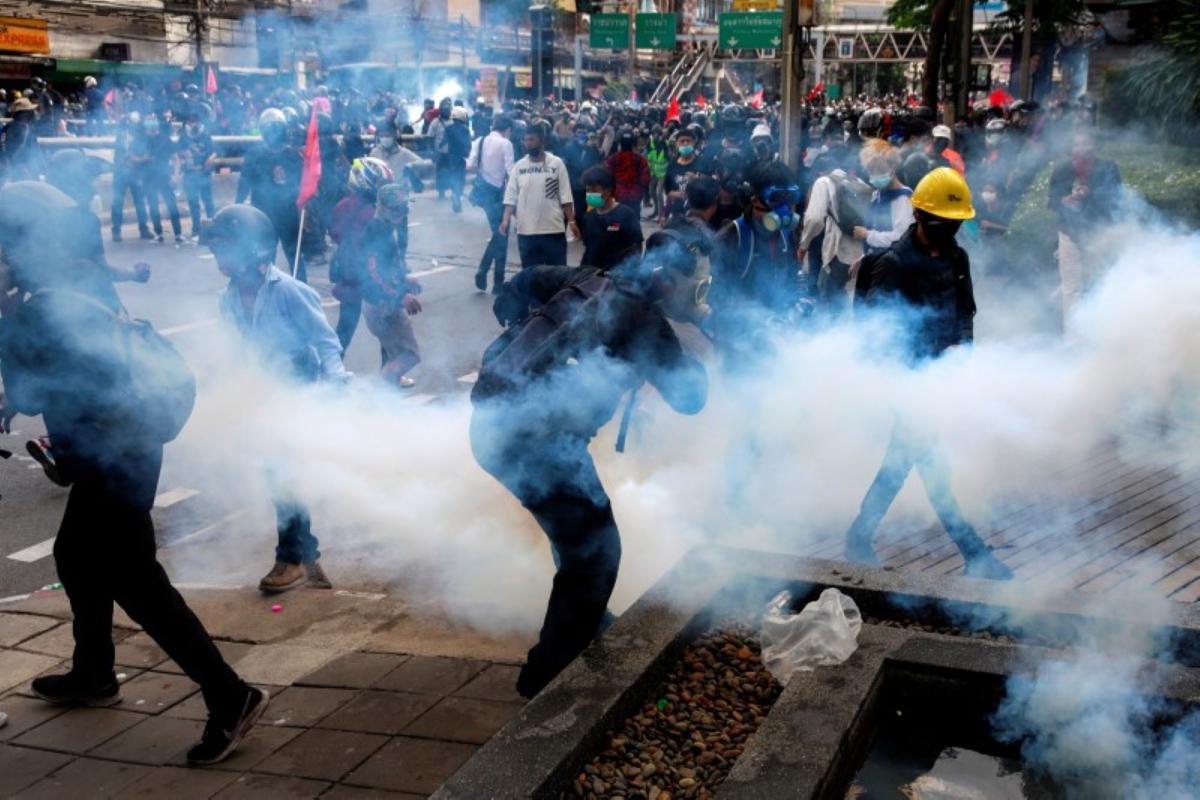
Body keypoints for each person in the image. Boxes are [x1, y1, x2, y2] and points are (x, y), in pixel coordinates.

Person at [0, 182, 267, 765]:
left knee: (137, 582)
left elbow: (23, 387)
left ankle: (231, 696)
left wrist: (5, 316)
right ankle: (93, 672)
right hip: (125, 445)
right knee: (75, 555)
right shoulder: (76, 279)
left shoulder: (38, 306)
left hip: (115, 455)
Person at [470, 230, 710, 698]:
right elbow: (691, 398)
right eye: (691, 284)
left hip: (493, 430)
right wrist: (702, 322)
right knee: (599, 551)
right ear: (664, 279)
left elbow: (522, 286)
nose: (696, 293)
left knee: (578, 536)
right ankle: (547, 678)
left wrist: (525, 342)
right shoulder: (644, 319)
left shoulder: (587, 279)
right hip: (537, 449)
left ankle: (590, 620)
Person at [847, 168, 1012, 580]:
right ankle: (973, 552)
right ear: (919, 216)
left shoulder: (957, 255)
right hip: (904, 376)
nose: (948, 233)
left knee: (902, 459)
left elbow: (965, 312)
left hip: (939, 373)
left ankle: (859, 535)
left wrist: (963, 347)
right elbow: (877, 331)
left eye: (955, 225)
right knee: (929, 460)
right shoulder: (893, 264)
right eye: (941, 225)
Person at [203, 204, 347, 593]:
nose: (219, 257)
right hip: (262, 389)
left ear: (252, 250)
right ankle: (308, 554)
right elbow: (232, 347)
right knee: (280, 475)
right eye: (216, 249)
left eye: (225, 248)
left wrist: (338, 381)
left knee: (283, 473)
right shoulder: (229, 298)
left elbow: (325, 342)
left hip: (295, 388)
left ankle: (290, 560)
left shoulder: (290, 292)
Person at [710, 161, 806, 365]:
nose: (785, 209)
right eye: (776, 200)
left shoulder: (787, 233)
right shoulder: (730, 237)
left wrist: (799, 302)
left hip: (779, 336)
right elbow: (718, 295)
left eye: (789, 199)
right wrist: (756, 320)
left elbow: (793, 275)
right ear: (753, 200)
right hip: (739, 342)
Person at [1047, 130, 1121, 328]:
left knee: (1099, 283)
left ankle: (1100, 332)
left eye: (1085, 145)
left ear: (1095, 147)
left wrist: (1090, 194)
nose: (1081, 150)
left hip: (1098, 233)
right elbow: (1051, 201)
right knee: (1072, 288)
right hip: (1069, 233)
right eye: (1076, 145)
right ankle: (1073, 342)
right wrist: (1064, 200)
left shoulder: (1107, 168)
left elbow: (1114, 198)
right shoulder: (1062, 170)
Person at [330, 157, 395, 353]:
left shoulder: (342, 205)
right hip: (369, 276)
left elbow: (335, 234)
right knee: (386, 328)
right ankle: (390, 375)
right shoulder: (373, 212)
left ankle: (333, 370)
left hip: (348, 273)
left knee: (344, 329)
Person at [361, 183, 423, 388]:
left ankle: (387, 394)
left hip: (384, 303)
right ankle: (378, 393)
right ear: (385, 208)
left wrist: (405, 280)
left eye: (404, 207)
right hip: (381, 305)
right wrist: (400, 296)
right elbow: (372, 274)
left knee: (393, 353)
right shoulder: (375, 230)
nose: (403, 212)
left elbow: (386, 267)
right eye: (398, 208)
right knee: (409, 355)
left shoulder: (385, 228)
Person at [236, 108, 305, 281]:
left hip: (288, 213)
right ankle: (266, 291)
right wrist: (237, 206)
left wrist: (307, 204)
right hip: (262, 214)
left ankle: (301, 291)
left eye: (277, 127)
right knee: (265, 257)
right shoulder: (255, 155)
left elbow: (304, 183)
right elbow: (244, 182)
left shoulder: (293, 155)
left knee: (295, 256)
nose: (274, 132)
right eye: (270, 128)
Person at [499, 124, 578, 269]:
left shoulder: (557, 164)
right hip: (526, 231)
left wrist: (572, 223)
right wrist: (505, 220)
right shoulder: (519, 166)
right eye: (525, 140)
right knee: (530, 276)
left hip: (553, 230)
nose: (527, 144)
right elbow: (510, 197)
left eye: (531, 140)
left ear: (542, 140)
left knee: (557, 274)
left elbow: (566, 196)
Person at [798, 158, 865, 317]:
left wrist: (803, 246)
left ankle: (836, 334)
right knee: (853, 298)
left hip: (838, 252)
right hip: (861, 251)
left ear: (819, 172)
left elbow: (814, 219)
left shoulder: (823, 182)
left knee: (832, 297)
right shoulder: (856, 181)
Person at [469, 115, 516, 293]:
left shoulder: (479, 141)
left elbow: (471, 165)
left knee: (499, 235)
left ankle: (487, 274)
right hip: (499, 195)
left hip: (484, 194)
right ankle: (495, 282)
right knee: (501, 236)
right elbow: (511, 171)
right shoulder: (505, 144)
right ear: (508, 129)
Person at [578, 165, 643, 272]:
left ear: (608, 191)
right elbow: (588, 250)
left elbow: (636, 249)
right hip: (593, 275)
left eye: (594, 190)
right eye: (587, 190)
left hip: (618, 275)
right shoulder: (588, 217)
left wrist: (630, 273)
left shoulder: (626, 214)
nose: (590, 195)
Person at [855, 141, 914, 254]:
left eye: (878, 169)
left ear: (892, 168)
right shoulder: (877, 195)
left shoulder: (903, 198)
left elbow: (900, 238)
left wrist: (868, 235)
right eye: (870, 171)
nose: (873, 174)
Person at [140, 113, 184, 245]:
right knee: (153, 207)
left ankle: (178, 234)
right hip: (149, 178)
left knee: (172, 206)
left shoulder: (165, 140)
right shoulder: (143, 141)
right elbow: (137, 159)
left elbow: (175, 158)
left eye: (153, 121)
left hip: (165, 177)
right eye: (149, 121)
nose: (151, 124)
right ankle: (158, 234)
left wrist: (176, 175)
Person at [110, 112, 153, 242]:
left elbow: (146, 153)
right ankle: (116, 231)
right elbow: (124, 155)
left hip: (136, 173)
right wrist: (140, 159)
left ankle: (143, 229)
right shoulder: (121, 136)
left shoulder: (141, 136)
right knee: (118, 202)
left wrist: (140, 159)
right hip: (121, 172)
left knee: (140, 202)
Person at [179, 110, 216, 241]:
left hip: (204, 174)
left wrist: (210, 159)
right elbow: (178, 154)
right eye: (190, 121)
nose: (192, 123)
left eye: (195, 120)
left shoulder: (205, 136)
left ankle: (213, 228)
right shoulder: (183, 137)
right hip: (190, 175)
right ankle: (196, 229)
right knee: (193, 203)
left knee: (208, 202)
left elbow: (213, 152)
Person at [605, 129, 650, 217]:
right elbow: (646, 179)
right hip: (634, 198)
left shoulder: (613, 159)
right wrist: (639, 191)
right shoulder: (640, 159)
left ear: (620, 143)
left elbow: (606, 176)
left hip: (617, 197)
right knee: (633, 222)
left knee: (616, 224)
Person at [444, 106, 473, 213]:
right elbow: (468, 144)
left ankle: (454, 194)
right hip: (461, 158)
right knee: (460, 178)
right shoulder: (465, 129)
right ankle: (457, 195)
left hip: (451, 157)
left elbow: (443, 142)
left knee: (453, 177)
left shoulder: (448, 128)